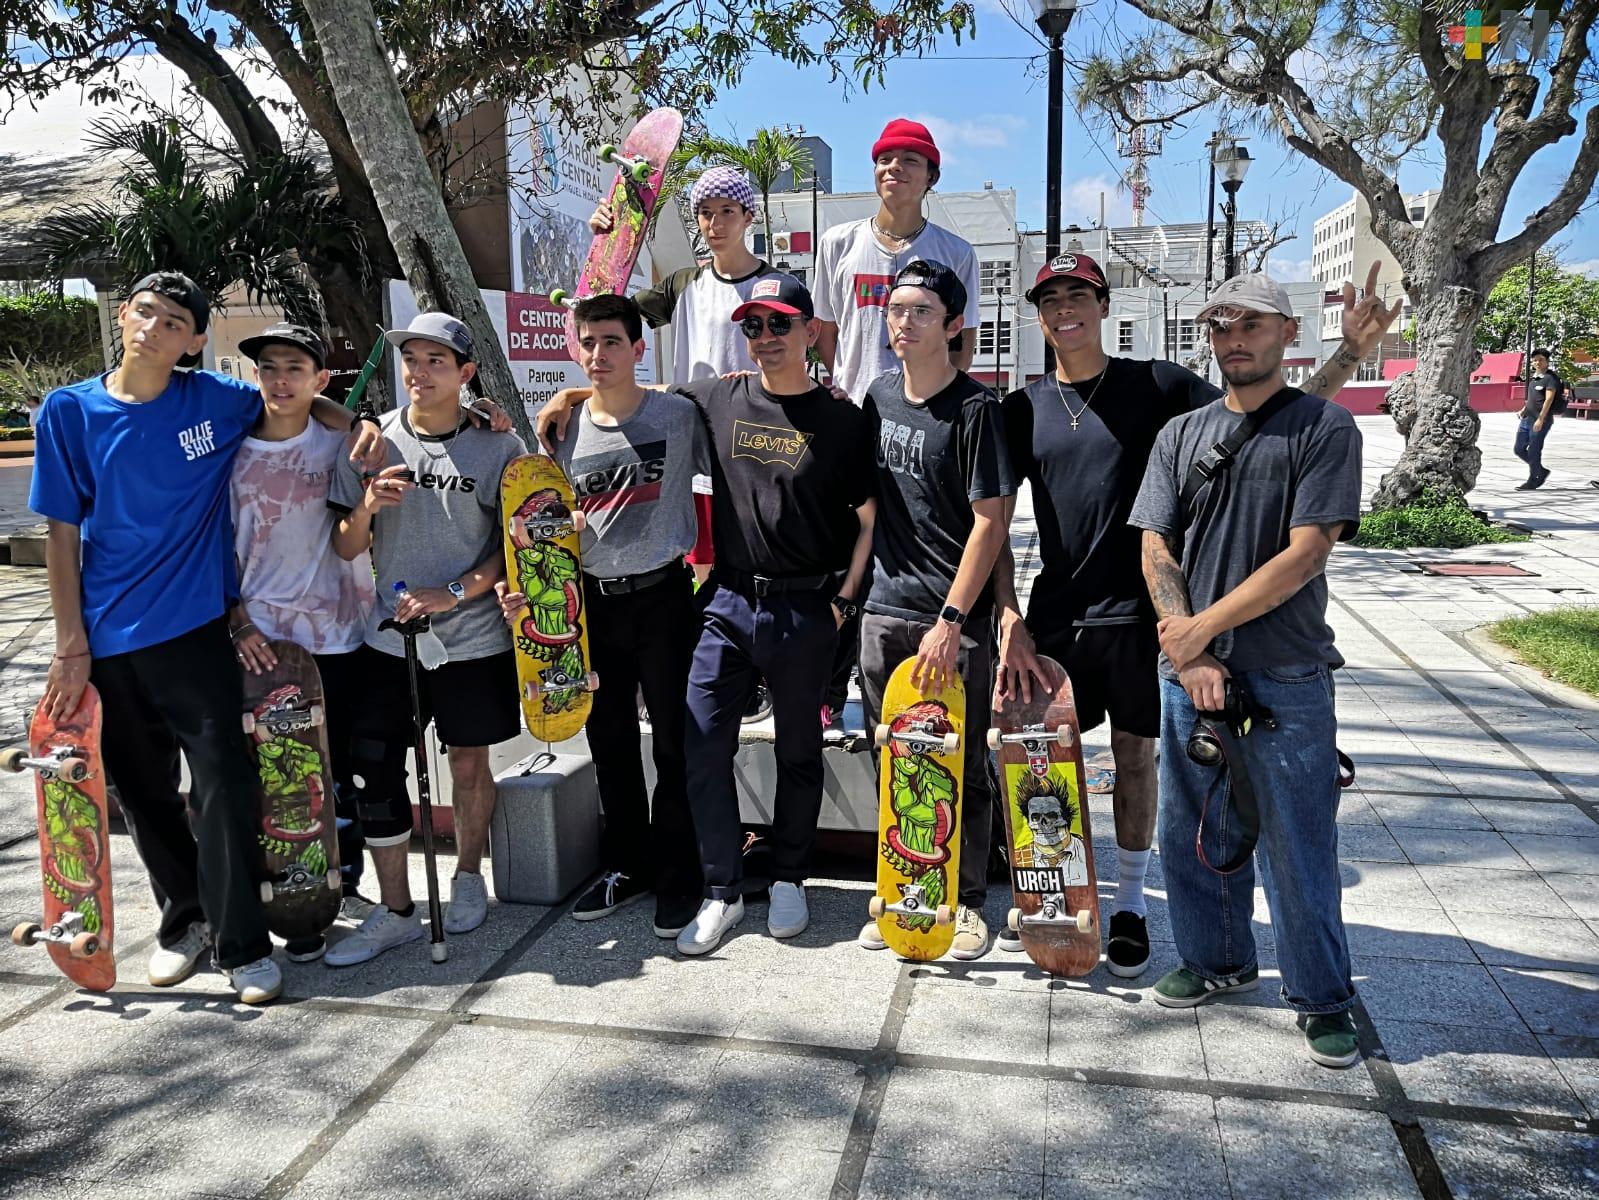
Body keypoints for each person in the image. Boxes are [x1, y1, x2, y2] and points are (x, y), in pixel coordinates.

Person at [993, 255, 1395, 976]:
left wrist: (1351, 354)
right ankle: (1051, 896)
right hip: (1063, 616)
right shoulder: (1020, 408)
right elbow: (990, 518)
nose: (1064, 310)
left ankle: (1128, 904)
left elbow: (1271, 414)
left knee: (1135, 760)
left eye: (1078, 295)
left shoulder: (1159, 385)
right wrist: (1005, 613)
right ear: (1036, 315)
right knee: (1041, 761)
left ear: (1104, 304)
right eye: (1049, 300)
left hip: (1149, 621)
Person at [29, 271, 381, 1005]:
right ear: (123, 316)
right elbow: (61, 534)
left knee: (223, 782)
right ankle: (183, 919)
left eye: (172, 322)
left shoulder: (215, 400)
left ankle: (243, 942)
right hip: (106, 635)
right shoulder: (70, 412)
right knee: (143, 789)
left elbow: (291, 396)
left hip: (195, 628)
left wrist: (357, 422)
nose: (153, 328)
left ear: (192, 343)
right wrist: (71, 645)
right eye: (144, 312)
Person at [538, 275, 876, 957]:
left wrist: (842, 602)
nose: (765, 339)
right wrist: (570, 392)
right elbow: (629, 396)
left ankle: (787, 877)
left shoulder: (841, 418)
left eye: (779, 325)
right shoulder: (715, 398)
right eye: (753, 326)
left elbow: (869, 520)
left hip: (804, 605)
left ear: (809, 331)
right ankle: (719, 889)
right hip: (724, 601)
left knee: (799, 753)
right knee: (699, 746)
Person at [1128, 272, 1366, 1069]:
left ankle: (1322, 997)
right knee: (1193, 832)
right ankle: (1214, 960)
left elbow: (1304, 555)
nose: (1235, 339)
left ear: (1286, 332)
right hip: (1185, 669)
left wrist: (1201, 635)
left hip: (1285, 672)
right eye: (1220, 326)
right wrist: (1183, 645)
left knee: (1298, 845)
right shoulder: (1178, 435)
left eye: (1252, 325)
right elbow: (1153, 542)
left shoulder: (1324, 428)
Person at [495, 294, 710, 939]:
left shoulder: (677, 417)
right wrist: (523, 591)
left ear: (639, 348)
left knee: (675, 746)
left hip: (666, 598)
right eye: (587, 343)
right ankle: (628, 864)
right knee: (609, 741)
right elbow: (540, 527)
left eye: (612, 342)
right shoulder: (559, 432)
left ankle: (679, 874)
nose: (598, 355)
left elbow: (727, 412)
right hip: (590, 606)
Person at [325, 312, 525, 966]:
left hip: (473, 639)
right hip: (390, 641)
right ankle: (396, 909)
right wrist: (368, 508)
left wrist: (458, 591)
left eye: (436, 360)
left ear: (466, 373)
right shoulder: (370, 440)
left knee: (469, 762)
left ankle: (468, 877)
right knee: (375, 766)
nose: (419, 371)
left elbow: (510, 545)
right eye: (410, 358)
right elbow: (345, 542)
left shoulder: (499, 446)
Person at [853, 260, 1014, 961]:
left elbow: (990, 522)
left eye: (920, 311)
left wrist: (954, 621)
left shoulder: (976, 411)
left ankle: (967, 899)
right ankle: (901, 891)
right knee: (894, 759)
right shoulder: (878, 396)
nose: (903, 321)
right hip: (882, 608)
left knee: (961, 761)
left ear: (953, 326)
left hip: (951, 620)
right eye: (896, 309)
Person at [230, 324, 379, 963]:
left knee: (334, 767)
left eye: (296, 368)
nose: (281, 380)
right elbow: (210, 546)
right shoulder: (226, 451)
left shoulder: (342, 447)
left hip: (335, 633)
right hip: (257, 640)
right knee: (269, 776)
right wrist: (236, 619)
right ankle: (278, 891)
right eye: (269, 368)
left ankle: (332, 886)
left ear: (320, 380)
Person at [592, 165, 789, 587]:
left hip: (756, 447)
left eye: (727, 212)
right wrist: (607, 243)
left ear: (748, 217)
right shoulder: (685, 284)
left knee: (753, 566)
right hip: (691, 445)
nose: (715, 224)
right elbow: (606, 313)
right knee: (698, 571)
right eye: (705, 212)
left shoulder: (777, 287)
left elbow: (795, 365)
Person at [813, 119, 982, 401]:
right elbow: (825, 331)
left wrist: (933, 401)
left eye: (910, 160)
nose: (894, 166)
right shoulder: (837, 243)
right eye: (884, 159)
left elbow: (962, 343)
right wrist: (846, 383)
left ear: (932, 177)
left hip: (925, 414)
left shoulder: (956, 253)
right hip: (853, 409)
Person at [1514, 348, 1564, 490]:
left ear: (1547, 362)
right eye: (1535, 360)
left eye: (1541, 359)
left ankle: (1534, 479)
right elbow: (1531, 398)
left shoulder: (1551, 378)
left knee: (1534, 451)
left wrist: (1540, 419)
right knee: (1519, 449)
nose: (1537, 362)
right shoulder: (1534, 378)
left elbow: (1548, 400)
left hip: (1541, 420)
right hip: (1526, 419)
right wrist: (1523, 410)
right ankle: (1540, 471)